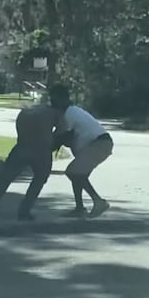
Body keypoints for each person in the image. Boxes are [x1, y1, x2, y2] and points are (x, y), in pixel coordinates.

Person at [0, 104, 64, 222]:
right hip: (41, 152)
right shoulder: (55, 113)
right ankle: (24, 211)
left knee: (3, 180)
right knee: (39, 179)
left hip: (21, 148)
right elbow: (61, 131)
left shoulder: (26, 111)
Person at [49, 83, 114, 219]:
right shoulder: (71, 111)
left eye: (54, 98)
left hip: (99, 143)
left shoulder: (69, 113)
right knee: (78, 176)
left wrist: (46, 147)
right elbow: (67, 137)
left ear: (63, 98)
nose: (52, 102)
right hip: (98, 143)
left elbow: (61, 136)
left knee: (73, 172)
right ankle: (79, 208)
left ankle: (99, 201)